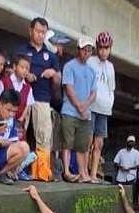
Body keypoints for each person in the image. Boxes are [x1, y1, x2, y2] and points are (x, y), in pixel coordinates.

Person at [17, 17, 60, 181]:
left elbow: (58, 81)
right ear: (30, 31)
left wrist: (53, 74)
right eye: (38, 31)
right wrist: (25, 74)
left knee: (43, 137)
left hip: (42, 98)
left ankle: (40, 173)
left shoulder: (51, 56)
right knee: (20, 132)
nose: (41, 35)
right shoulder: (22, 50)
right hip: (22, 97)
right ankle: (16, 169)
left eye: (43, 32)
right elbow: (11, 70)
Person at [61, 37, 97, 184]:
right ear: (78, 50)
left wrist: (85, 106)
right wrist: (79, 106)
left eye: (89, 50)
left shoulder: (92, 70)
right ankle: (67, 171)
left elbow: (93, 93)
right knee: (67, 143)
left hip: (85, 114)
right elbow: (69, 88)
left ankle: (83, 173)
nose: (86, 53)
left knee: (82, 145)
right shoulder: (69, 66)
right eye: (84, 50)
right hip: (70, 111)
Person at [87, 31, 115, 183]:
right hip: (91, 106)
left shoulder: (111, 67)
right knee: (87, 141)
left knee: (99, 143)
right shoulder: (90, 62)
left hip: (104, 108)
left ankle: (93, 174)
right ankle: (84, 172)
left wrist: (110, 102)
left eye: (107, 48)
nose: (104, 51)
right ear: (97, 48)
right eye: (101, 48)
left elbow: (112, 88)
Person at [0, 54, 34, 139]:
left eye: (27, 69)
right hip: (4, 121)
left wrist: (21, 118)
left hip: (19, 123)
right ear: (14, 67)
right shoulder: (4, 82)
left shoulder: (28, 87)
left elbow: (28, 105)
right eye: (22, 67)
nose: (25, 71)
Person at [113, 135, 139, 201]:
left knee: (130, 196)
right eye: (130, 141)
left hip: (131, 177)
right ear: (127, 142)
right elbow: (115, 163)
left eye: (132, 142)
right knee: (120, 195)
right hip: (121, 177)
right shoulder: (121, 152)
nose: (131, 143)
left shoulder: (136, 153)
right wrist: (121, 167)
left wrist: (130, 168)